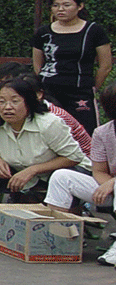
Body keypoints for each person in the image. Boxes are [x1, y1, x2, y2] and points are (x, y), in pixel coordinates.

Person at [0, 77, 91, 239]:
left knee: (63, 176)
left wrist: (32, 170)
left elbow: (74, 157)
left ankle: (64, 230)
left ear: (28, 103)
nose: (7, 107)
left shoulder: (49, 124)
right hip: (15, 170)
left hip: (56, 172)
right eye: (1, 101)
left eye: (15, 101)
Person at [43, 83, 116, 265]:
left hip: (113, 186)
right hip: (110, 189)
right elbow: (98, 170)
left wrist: (114, 182)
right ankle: (57, 237)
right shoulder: (103, 132)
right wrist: (110, 183)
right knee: (62, 177)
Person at [30, 0, 111, 132]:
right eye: (55, 5)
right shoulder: (43, 32)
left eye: (66, 5)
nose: (60, 9)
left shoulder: (93, 31)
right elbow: (38, 64)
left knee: (85, 132)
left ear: (79, 6)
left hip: (80, 92)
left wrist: (93, 87)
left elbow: (105, 66)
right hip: (49, 91)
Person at [0, 64, 92, 156]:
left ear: (39, 95)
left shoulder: (55, 117)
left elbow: (73, 155)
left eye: (16, 99)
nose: (8, 106)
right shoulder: (0, 114)